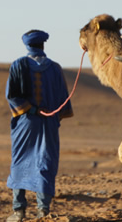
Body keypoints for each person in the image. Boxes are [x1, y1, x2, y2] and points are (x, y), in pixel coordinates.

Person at [5, 29, 74, 222]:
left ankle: (19, 211)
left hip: (25, 123)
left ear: (27, 46)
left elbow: (12, 96)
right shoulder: (55, 68)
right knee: (45, 162)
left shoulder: (18, 65)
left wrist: (31, 110)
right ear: (43, 45)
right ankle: (43, 211)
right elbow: (63, 100)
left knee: (20, 162)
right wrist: (51, 117)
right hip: (48, 123)